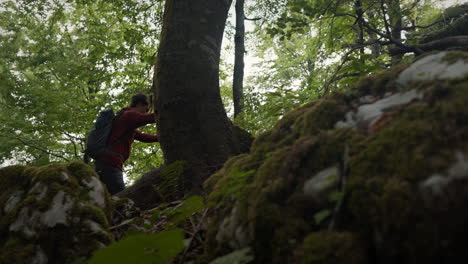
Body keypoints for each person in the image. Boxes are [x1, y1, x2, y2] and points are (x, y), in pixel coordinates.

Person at [94, 93, 159, 195]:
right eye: (146, 110)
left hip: (106, 163)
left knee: (108, 196)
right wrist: (164, 112)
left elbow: (143, 137)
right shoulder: (129, 115)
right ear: (139, 104)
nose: (145, 113)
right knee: (120, 196)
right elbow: (146, 119)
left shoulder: (125, 120)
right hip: (110, 163)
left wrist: (159, 138)